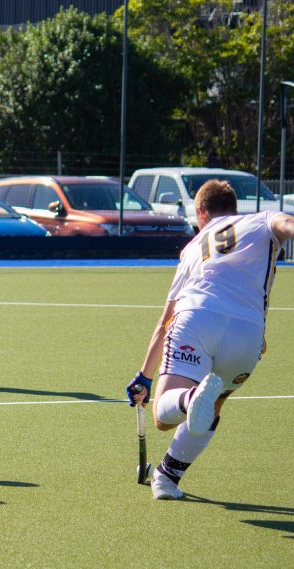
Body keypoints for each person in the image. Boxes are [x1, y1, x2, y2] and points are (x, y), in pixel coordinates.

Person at [126, 180, 294, 500]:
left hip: (196, 319)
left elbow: (164, 323)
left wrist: (145, 378)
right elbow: (286, 224)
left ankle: (188, 400)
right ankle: (166, 478)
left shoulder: (192, 249)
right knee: (215, 402)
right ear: (233, 208)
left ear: (201, 212)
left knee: (164, 416)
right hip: (248, 335)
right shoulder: (260, 218)